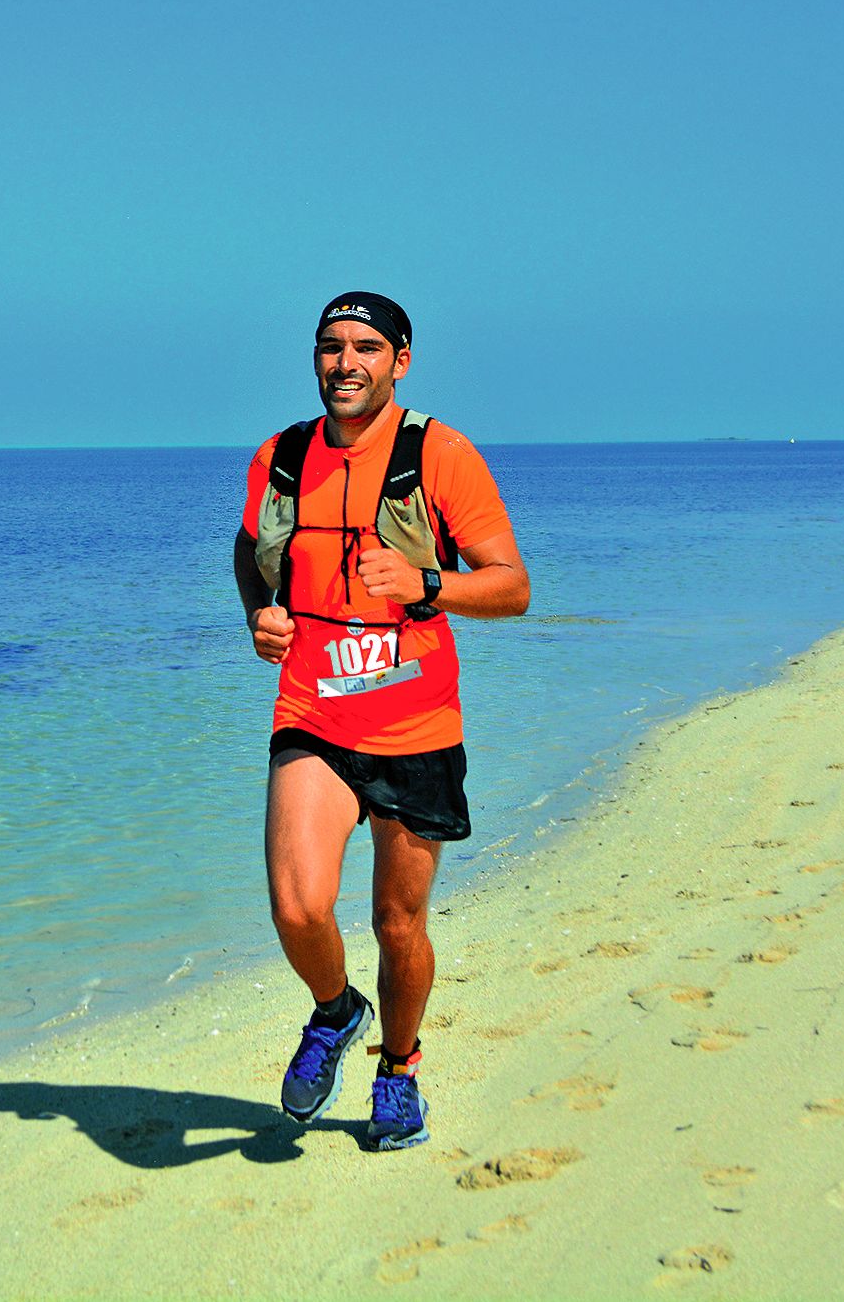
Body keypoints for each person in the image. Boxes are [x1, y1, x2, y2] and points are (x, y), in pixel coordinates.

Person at [232, 291, 529, 1151]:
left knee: (397, 926)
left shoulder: (439, 453)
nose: (345, 362)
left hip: (416, 726)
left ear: (400, 360)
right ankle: (333, 1009)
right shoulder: (280, 455)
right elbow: (247, 549)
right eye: (330, 346)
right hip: (311, 711)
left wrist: (426, 585)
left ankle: (398, 1068)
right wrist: (260, 614)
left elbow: (510, 585)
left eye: (366, 346)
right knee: (297, 904)